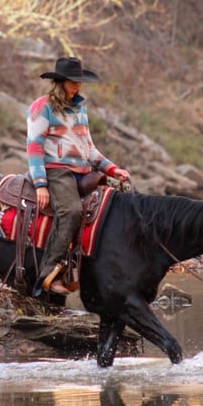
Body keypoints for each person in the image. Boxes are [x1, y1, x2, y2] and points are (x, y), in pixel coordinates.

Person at [26, 56, 130, 296]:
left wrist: (111, 169)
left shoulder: (80, 108)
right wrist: (41, 185)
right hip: (56, 171)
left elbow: (88, 148)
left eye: (79, 82)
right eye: (73, 81)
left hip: (83, 171)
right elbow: (34, 147)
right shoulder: (42, 107)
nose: (78, 86)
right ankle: (47, 273)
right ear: (60, 82)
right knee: (71, 210)